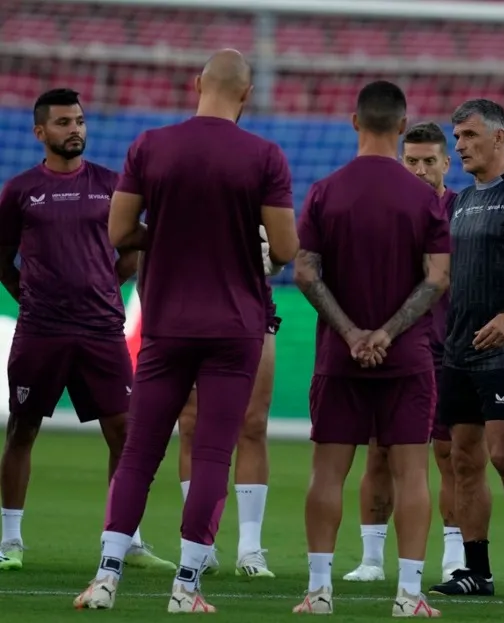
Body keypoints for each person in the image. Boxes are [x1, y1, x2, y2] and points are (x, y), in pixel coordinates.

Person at [73, 49, 299, 613]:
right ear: (246, 94)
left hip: (167, 324)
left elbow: (119, 230)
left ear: (197, 83)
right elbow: (289, 249)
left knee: (140, 453)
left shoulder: (150, 145)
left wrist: (167, 232)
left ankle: (104, 578)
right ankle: (187, 588)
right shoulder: (265, 155)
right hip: (235, 327)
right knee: (215, 453)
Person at [292, 80, 449, 617]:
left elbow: (306, 273)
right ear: (403, 127)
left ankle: (318, 591)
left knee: (327, 473)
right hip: (407, 359)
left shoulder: (324, 191)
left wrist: (352, 333)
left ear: (354, 122)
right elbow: (437, 278)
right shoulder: (425, 199)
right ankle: (408, 595)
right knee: (412, 475)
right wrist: (386, 333)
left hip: (339, 358)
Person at [0, 88, 172, 573]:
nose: (74, 129)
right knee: (22, 429)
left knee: (125, 433)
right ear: (40, 133)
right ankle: (9, 540)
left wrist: (105, 285)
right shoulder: (19, 191)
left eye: (78, 120)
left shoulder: (112, 186)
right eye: (62, 123)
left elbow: (134, 247)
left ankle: (126, 540)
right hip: (41, 331)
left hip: (101, 330)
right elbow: (1, 257)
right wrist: (28, 297)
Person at [427, 99, 504, 601]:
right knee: (463, 460)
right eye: (456, 138)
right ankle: (475, 570)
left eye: (469, 136)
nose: (459, 146)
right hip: (459, 350)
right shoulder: (456, 203)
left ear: (499, 137)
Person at [344, 121, 466, 584]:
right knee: (378, 452)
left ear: (445, 163)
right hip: (395, 346)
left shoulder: (461, 211)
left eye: (428, 161)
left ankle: (454, 557)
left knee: (449, 454)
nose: (419, 169)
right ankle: (372, 559)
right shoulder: (388, 210)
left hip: (450, 347)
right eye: (411, 161)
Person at [175, 230, 282, 579]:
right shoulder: (178, 187)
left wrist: (272, 255)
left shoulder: (255, 183)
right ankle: (198, 545)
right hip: (189, 308)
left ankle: (250, 548)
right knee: (191, 425)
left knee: (253, 423)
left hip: (251, 306)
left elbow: (283, 245)